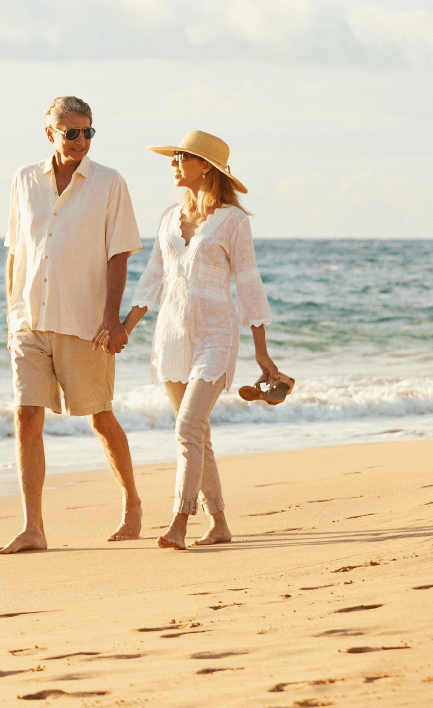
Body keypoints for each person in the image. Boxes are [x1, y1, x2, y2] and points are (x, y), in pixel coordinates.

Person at [110, 129, 281, 550]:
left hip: (215, 335)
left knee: (187, 425)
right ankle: (219, 522)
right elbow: (153, 275)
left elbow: (248, 283)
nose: (173, 163)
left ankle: (179, 522)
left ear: (205, 165)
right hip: (171, 334)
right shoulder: (170, 217)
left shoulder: (234, 222)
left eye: (181, 157)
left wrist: (262, 353)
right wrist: (125, 327)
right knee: (196, 433)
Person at [0, 96, 145, 555]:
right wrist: (10, 315)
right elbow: (15, 251)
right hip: (29, 319)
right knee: (26, 416)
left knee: (99, 416)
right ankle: (33, 527)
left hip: (84, 322)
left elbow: (119, 253)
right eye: (71, 133)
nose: (81, 141)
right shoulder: (24, 180)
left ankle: (133, 503)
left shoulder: (109, 183)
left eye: (88, 132)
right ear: (50, 133)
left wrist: (111, 319)